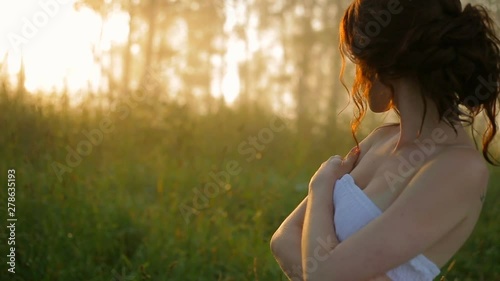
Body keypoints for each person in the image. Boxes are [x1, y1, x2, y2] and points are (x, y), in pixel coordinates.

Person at [270, 0, 500, 280]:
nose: (357, 76)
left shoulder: (460, 169)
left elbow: (323, 275)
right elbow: (282, 241)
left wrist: (319, 188)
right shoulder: (379, 140)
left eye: (359, 62)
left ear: (382, 64)